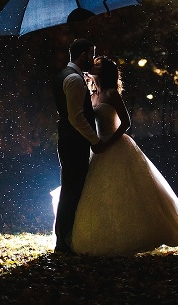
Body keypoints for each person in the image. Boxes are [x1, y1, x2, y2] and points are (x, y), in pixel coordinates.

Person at [71, 57, 178, 255]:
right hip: (97, 147)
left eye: (97, 64)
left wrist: (109, 142)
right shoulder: (93, 95)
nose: (92, 65)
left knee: (127, 191)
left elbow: (126, 123)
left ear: (105, 72)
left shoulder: (112, 94)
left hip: (115, 145)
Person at [52, 38, 105, 254]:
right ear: (83, 55)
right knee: (72, 191)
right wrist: (95, 140)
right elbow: (76, 118)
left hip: (69, 141)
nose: (92, 59)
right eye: (91, 55)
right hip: (74, 143)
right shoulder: (73, 79)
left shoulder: (65, 75)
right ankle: (63, 240)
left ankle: (65, 237)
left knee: (72, 189)